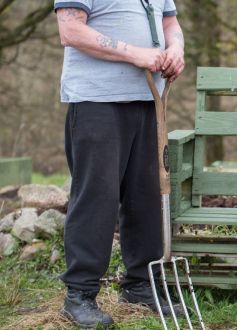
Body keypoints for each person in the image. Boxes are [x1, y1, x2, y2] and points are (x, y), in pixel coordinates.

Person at [54, 0, 185, 327]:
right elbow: (70, 30)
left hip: (148, 100)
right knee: (96, 199)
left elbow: (170, 23)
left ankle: (140, 284)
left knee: (146, 198)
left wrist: (177, 49)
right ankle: (79, 294)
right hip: (96, 102)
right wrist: (135, 53)